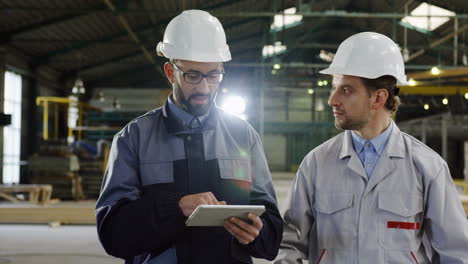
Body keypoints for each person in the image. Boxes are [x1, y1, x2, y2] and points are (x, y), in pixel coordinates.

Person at [95, 9, 282, 264]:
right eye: (193, 75)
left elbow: (271, 231)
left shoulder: (242, 137)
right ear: (171, 72)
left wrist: (258, 233)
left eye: (213, 75)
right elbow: (113, 234)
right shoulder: (134, 138)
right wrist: (176, 208)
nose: (204, 88)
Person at [275, 32, 468, 263]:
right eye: (334, 87)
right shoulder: (316, 163)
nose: (332, 100)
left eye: (345, 90)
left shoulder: (427, 166)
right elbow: (289, 242)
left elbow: (455, 253)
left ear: (378, 98)